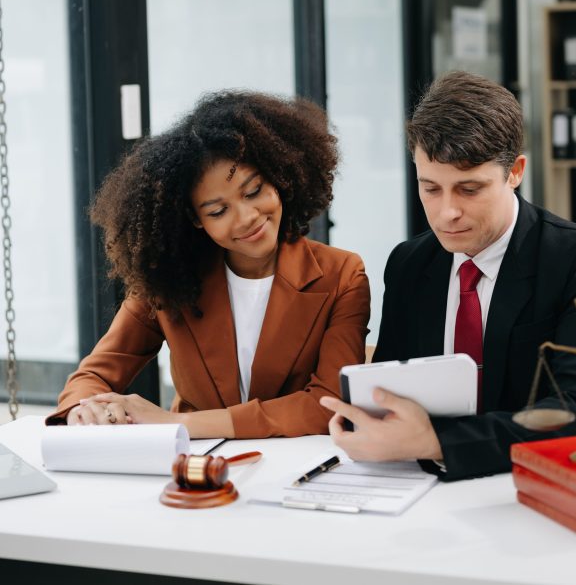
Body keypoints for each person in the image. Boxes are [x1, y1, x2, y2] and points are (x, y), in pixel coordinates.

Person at [320, 71, 576, 480]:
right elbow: (390, 389)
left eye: (469, 189)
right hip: (425, 482)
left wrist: (437, 440)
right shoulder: (409, 264)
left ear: (515, 172)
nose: (447, 212)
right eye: (430, 188)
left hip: (544, 480)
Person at [47, 90, 370, 439]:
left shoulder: (342, 276)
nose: (247, 218)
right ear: (195, 218)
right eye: (218, 211)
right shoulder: (170, 280)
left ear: (279, 178)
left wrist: (179, 424)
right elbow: (92, 377)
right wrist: (85, 409)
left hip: (296, 470)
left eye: (254, 191)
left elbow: (328, 403)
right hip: (192, 473)